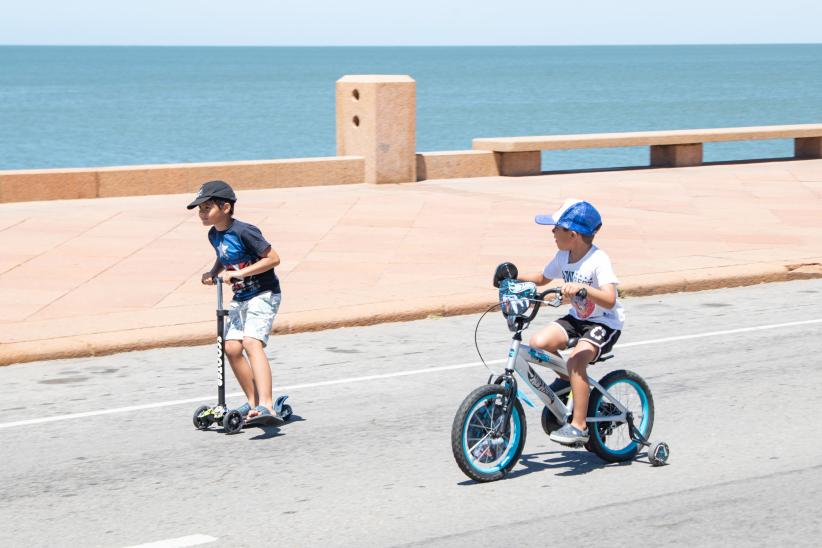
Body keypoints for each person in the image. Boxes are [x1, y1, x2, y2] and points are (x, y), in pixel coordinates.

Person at [516, 198, 624, 445]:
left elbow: (609, 299)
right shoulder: (563, 255)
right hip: (577, 319)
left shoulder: (599, 260)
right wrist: (512, 276)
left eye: (557, 229)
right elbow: (542, 278)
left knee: (576, 360)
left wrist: (583, 289)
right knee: (538, 343)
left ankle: (580, 425)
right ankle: (567, 385)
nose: (553, 232)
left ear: (573, 234)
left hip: (604, 324)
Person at [187, 180, 282, 419]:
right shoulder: (213, 235)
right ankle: (253, 403)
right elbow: (224, 256)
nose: (202, 213)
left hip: (263, 293)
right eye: (200, 209)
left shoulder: (244, 231)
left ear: (226, 208)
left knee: (251, 343)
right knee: (231, 348)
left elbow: (273, 258)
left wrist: (239, 273)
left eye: (207, 207)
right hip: (241, 297)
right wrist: (214, 272)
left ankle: (267, 405)